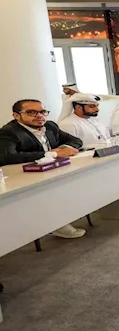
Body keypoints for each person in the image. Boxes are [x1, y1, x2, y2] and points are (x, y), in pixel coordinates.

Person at [0, 99, 85, 239]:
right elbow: (7, 157)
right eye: (31, 112)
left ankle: (65, 216)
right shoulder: (9, 132)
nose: (39, 116)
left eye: (42, 112)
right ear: (16, 115)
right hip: (24, 178)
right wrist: (53, 154)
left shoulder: (50, 126)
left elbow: (76, 141)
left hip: (54, 170)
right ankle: (54, 223)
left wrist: (64, 149)